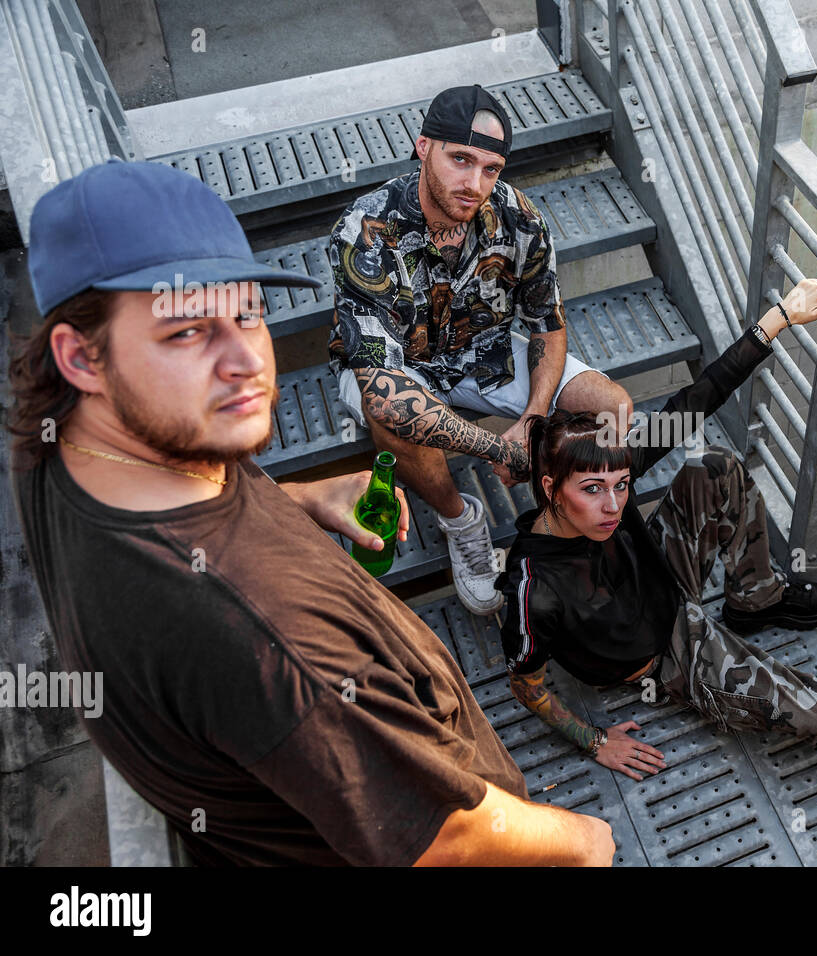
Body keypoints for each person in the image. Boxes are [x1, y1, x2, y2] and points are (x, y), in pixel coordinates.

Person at [8, 159, 614, 866]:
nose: (247, 362)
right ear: (80, 357)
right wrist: (583, 843)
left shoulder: (63, 441)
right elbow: (448, 838)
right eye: (186, 332)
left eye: (248, 313)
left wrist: (294, 499)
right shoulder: (266, 633)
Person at [496, 278, 817, 780]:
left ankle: (757, 597)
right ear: (551, 487)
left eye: (621, 484)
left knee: (714, 469)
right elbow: (526, 687)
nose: (614, 504)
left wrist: (779, 318)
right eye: (592, 490)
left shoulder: (610, 476)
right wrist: (594, 741)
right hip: (665, 652)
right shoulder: (534, 592)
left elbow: (693, 402)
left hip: (662, 575)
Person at [329, 84, 632, 616]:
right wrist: (500, 448)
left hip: (483, 352)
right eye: (460, 160)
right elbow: (383, 389)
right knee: (396, 418)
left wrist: (534, 422)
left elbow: (549, 327)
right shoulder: (367, 232)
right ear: (424, 148)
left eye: (490, 168)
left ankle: (562, 519)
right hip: (395, 365)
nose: (474, 184)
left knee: (613, 408)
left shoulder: (519, 218)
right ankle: (460, 521)